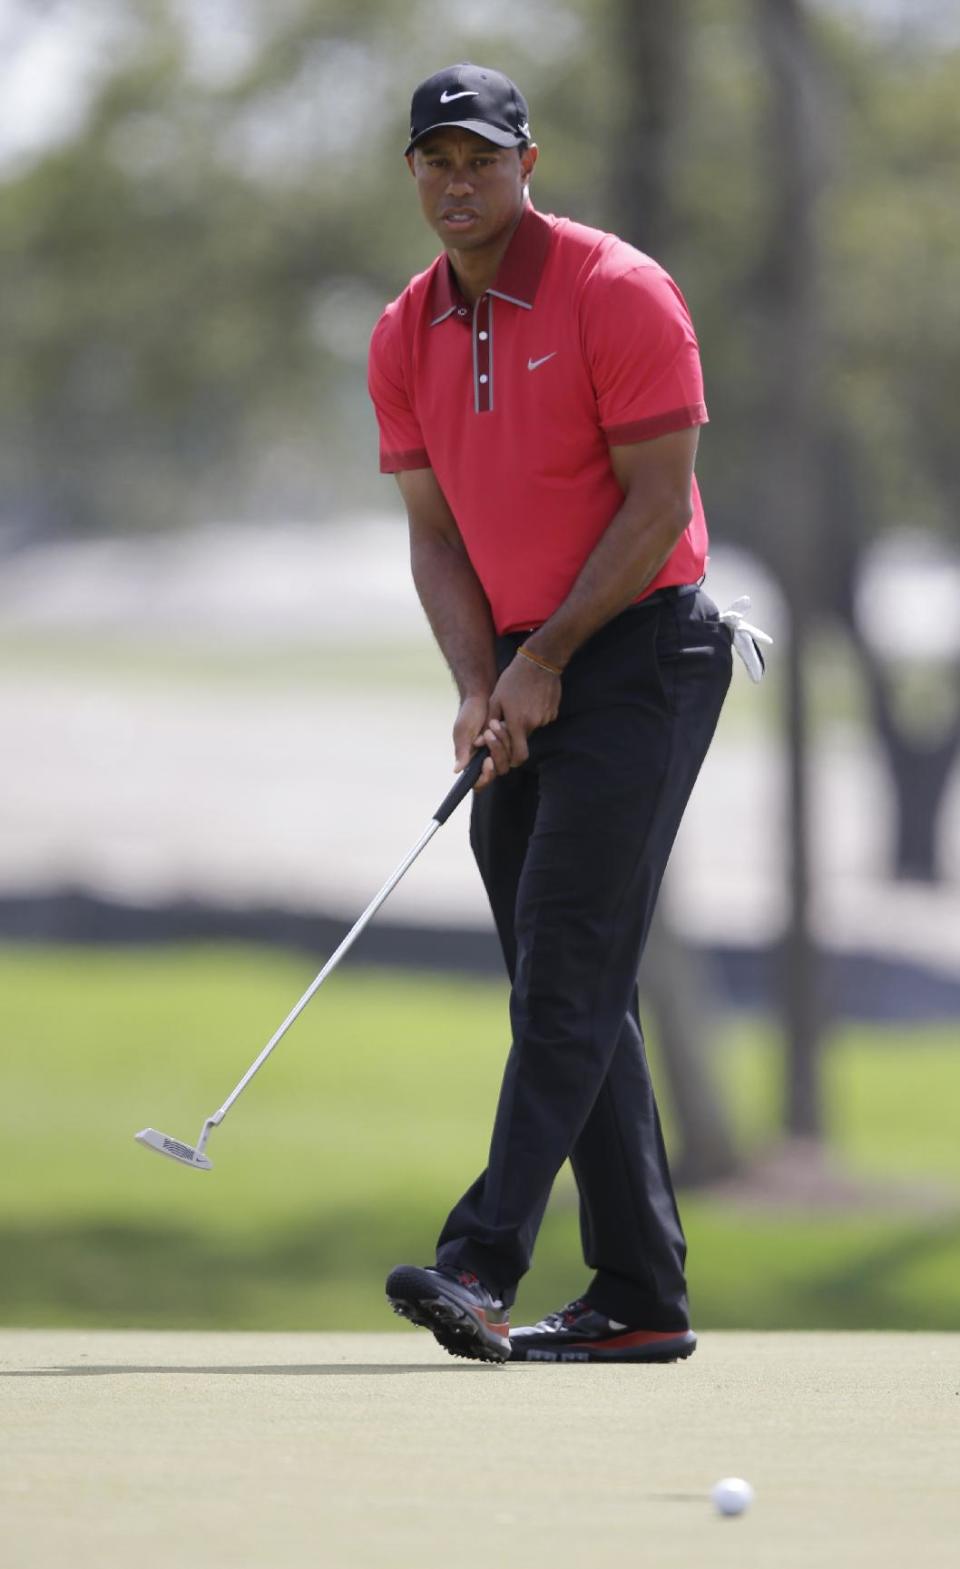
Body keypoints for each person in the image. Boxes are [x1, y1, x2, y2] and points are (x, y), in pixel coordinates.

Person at [369, 61, 740, 1364]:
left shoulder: (618, 291)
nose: (457, 181)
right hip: (522, 665)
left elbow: (655, 509)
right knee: (562, 979)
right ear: (414, 173)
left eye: (481, 159)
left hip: (645, 650)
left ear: (529, 163)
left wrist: (552, 659)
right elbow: (435, 536)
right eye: (436, 161)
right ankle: (640, 1294)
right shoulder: (403, 329)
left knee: (569, 967)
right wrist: (484, 684)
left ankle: (479, 1260)